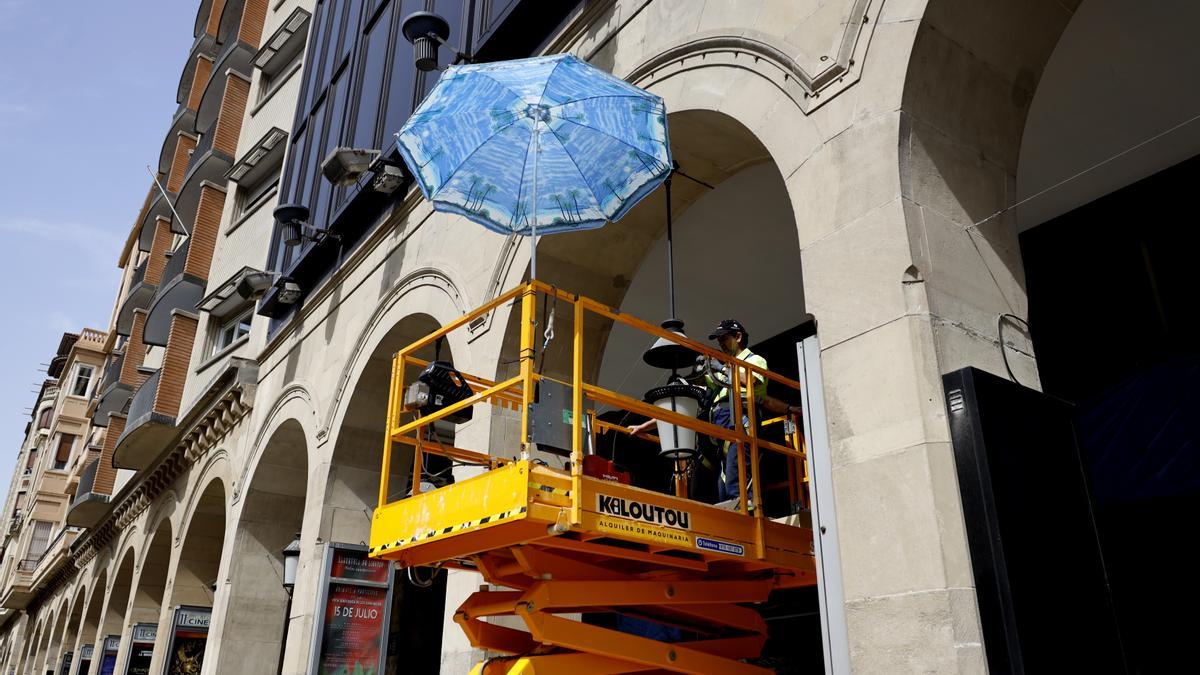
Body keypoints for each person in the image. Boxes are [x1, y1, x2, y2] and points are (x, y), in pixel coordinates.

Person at [630, 319, 801, 507]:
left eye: (724, 338)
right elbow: (683, 406)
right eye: (718, 340)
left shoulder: (753, 361)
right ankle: (732, 524)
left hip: (740, 428)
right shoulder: (720, 379)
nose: (720, 343)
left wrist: (723, 368)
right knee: (724, 489)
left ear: (738, 336)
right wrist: (644, 426)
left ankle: (747, 521)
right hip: (721, 437)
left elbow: (752, 382)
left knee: (736, 485)